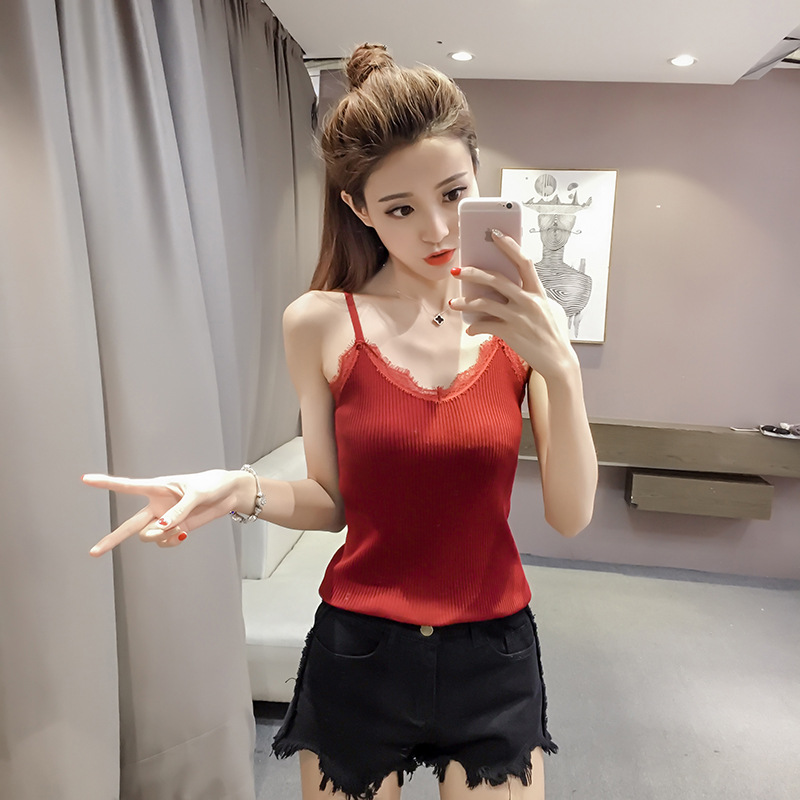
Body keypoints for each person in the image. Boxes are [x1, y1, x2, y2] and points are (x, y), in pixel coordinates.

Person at [84, 43, 597, 800]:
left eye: (454, 194)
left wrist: (562, 368)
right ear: (359, 210)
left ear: (477, 175)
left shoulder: (529, 327)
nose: (437, 230)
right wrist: (237, 489)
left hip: (492, 652)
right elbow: (332, 503)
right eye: (401, 209)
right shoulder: (320, 322)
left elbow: (571, 515)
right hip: (360, 651)